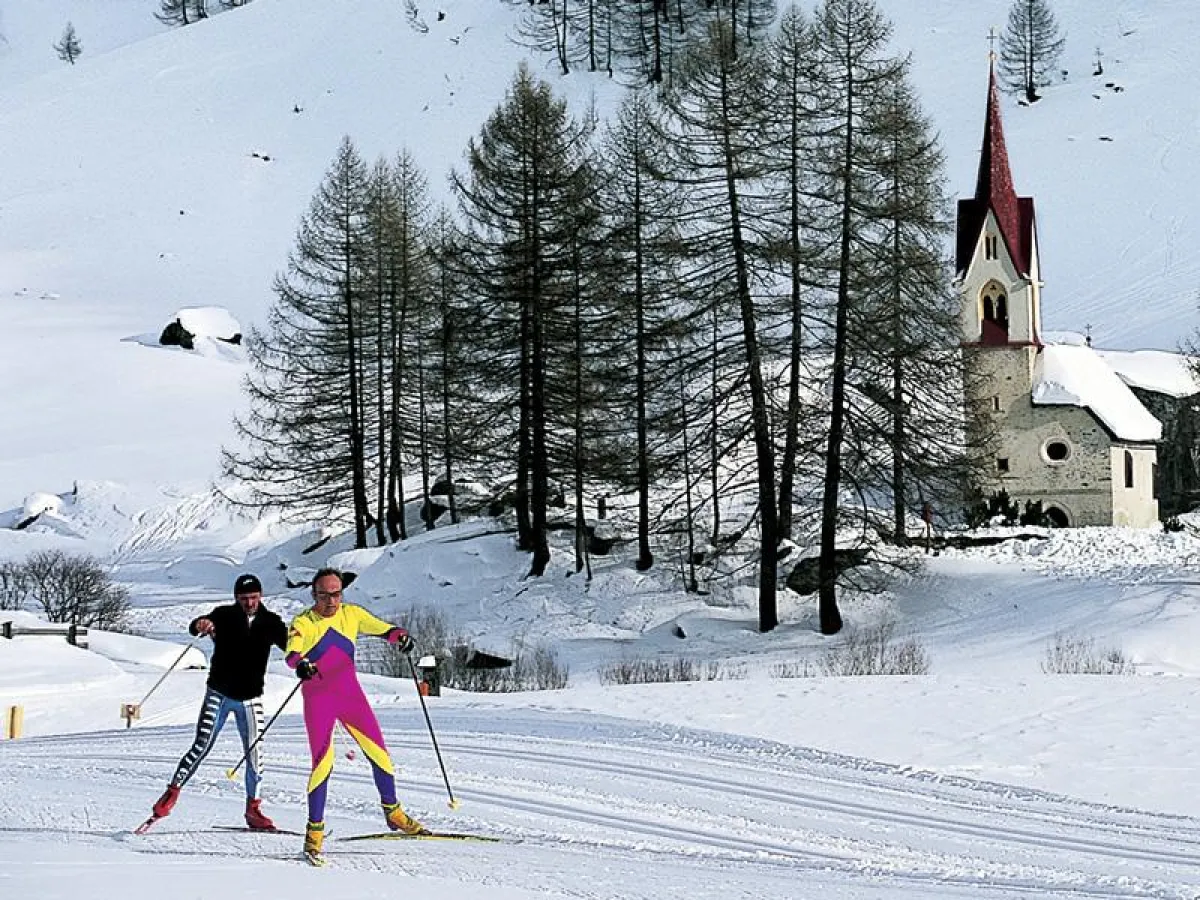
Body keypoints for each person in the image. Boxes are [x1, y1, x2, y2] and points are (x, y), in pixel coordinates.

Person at [286, 566, 426, 858]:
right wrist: (300, 664)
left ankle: (394, 813)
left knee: (380, 755)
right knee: (323, 764)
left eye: (336, 594)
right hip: (319, 701)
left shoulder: (352, 614)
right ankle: (314, 833)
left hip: (351, 697)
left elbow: (385, 629)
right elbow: (293, 652)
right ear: (314, 595)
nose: (331, 602)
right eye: (324, 595)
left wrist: (401, 637)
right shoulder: (304, 622)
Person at [147, 573, 288, 830]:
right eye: (244, 598)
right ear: (236, 598)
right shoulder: (223, 615)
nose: (249, 603)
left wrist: (308, 659)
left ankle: (253, 809)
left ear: (261, 596)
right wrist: (201, 624)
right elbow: (198, 625)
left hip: (251, 698)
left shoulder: (271, 622)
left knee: (255, 753)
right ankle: (172, 792)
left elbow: (292, 646)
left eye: (254, 598)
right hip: (219, 694)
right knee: (202, 745)